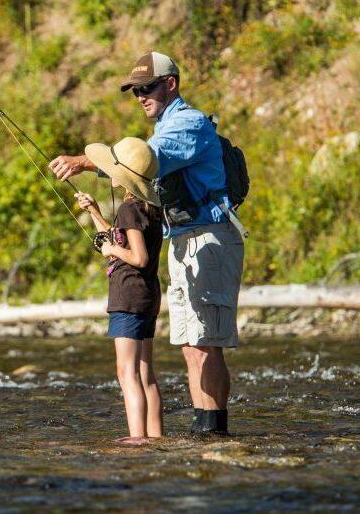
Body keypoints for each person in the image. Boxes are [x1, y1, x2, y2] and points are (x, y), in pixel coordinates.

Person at [50, 52, 245, 436]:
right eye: (135, 90)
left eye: (146, 87)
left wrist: (84, 161)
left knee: (206, 344)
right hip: (186, 241)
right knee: (192, 345)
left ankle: (214, 432)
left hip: (209, 239)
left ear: (170, 84)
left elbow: (143, 162)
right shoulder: (165, 126)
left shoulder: (185, 125)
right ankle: (203, 431)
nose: (139, 95)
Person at [75, 136, 164, 445]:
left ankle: (137, 439)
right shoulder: (148, 208)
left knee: (127, 373)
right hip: (148, 296)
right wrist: (96, 213)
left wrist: (110, 247)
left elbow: (137, 257)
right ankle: (154, 437)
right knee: (145, 372)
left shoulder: (129, 210)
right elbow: (124, 242)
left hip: (128, 296)